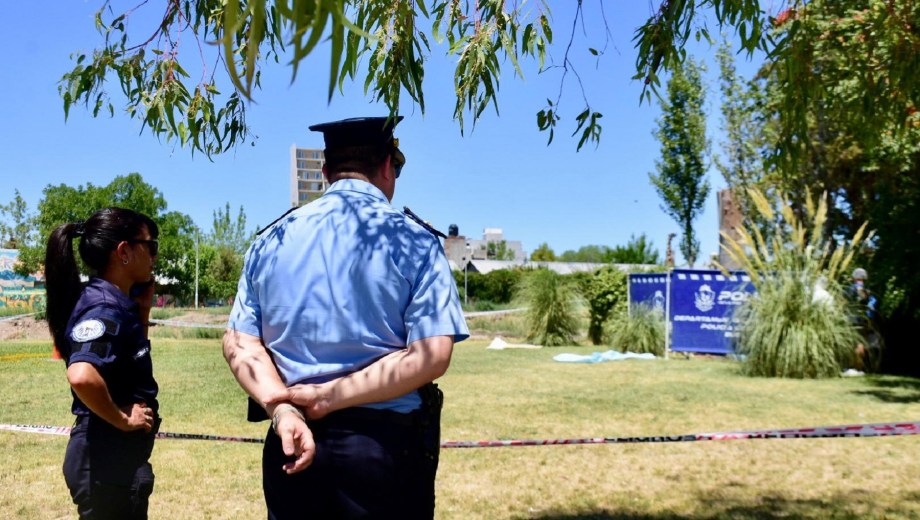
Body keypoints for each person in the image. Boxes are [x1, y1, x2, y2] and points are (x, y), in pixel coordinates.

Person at [223, 116, 469, 519]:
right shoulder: (416, 243)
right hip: (382, 449)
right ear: (388, 166)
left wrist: (281, 409)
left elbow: (239, 342)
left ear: (324, 172)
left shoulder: (270, 240)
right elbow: (432, 355)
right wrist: (329, 396)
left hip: (290, 439)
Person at [45, 207, 161, 519]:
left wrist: (143, 312)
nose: (155, 255)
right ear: (124, 251)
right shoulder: (105, 308)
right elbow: (82, 375)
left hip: (112, 461)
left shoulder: (114, 303)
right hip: (105, 462)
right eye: (151, 246)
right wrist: (124, 419)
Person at [846, 267, 880, 371]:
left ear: (854, 277)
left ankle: (852, 367)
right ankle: (859, 368)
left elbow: (843, 302)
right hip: (865, 320)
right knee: (861, 343)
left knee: (852, 343)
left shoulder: (851, 289)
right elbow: (872, 307)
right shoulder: (868, 291)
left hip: (852, 319)